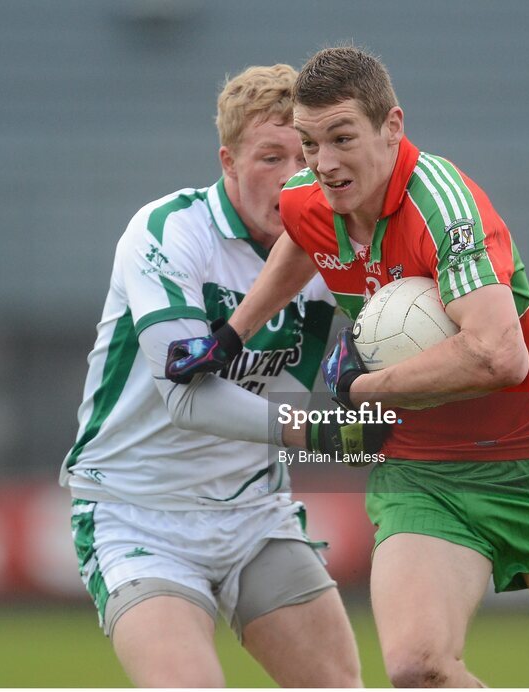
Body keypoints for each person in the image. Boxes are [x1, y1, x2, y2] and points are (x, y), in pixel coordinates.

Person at [166, 47, 529, 688]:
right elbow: (302, 230)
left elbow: (499, 354)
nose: (324, 163)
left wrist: (363, 385)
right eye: (310, 142)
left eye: (343, 138)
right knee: (416, 668)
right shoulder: (314, 194)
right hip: (423, 472)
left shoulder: (445, 207)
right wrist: (233, 334)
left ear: (391, 127)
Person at [60, 63, 370, 688]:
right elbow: (188, 402)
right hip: (139, 511)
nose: (291, 178)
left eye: (304, 156)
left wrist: (383, 398)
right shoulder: (167, 233)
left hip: (254, 510)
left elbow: (398, 340)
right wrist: (321, 431)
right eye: (268, 157)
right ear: (227, 161)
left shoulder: (335, 245)